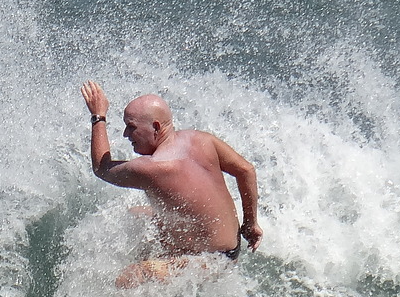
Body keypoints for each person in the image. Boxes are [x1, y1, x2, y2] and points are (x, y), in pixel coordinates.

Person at [79, 81, 262, 286]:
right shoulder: (200, 139)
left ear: (156, 127)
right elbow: (246, 170)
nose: (125, 134)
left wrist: (98, 116)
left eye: (131, 127)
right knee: (137, 214)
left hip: (213, 261)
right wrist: (250, 224)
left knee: (133, 274)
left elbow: (102, 168)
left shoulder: (154, 167)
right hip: (232, 242)